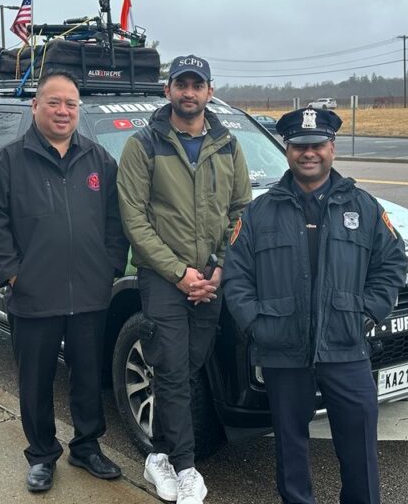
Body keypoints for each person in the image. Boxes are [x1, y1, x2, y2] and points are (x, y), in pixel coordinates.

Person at [222, 107, 408, 504]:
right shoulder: (259, 212)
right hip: (282, 348)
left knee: (359, 443)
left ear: (332, 149)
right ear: (287, 150)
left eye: (318, 145)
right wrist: (256, 325)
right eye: (300, 146)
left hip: (345, 345)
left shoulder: (364, 207)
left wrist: (367, 313)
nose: (309, 153)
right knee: (290, 447)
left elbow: (391, 264)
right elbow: (236, 276)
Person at [0, 70, 129, 493]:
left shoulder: (99, 160)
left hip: (89, 293)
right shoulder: (6, 162)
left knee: (86, 376)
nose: (63, 111)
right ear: (36, 106)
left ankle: (87, 445)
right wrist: (11, 274)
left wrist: (110, 267)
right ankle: (42, 454)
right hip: (33, 294)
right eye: (54, 102)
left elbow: (116, 221)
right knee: (36, 381)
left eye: (71, 104)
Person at [117, 55, 252, 504]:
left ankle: (158, 453)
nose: (188, 93)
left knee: (188, 369)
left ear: (209, 92)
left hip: (211, 279)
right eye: (181, 84)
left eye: (197, 85)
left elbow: (240, 213)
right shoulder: (144, 145)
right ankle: (187, 468)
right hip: (162, 278)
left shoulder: (228, 146)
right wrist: (179, 273)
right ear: (168, 90)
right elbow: (134, 218)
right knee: (172, 370)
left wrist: (219, 267)